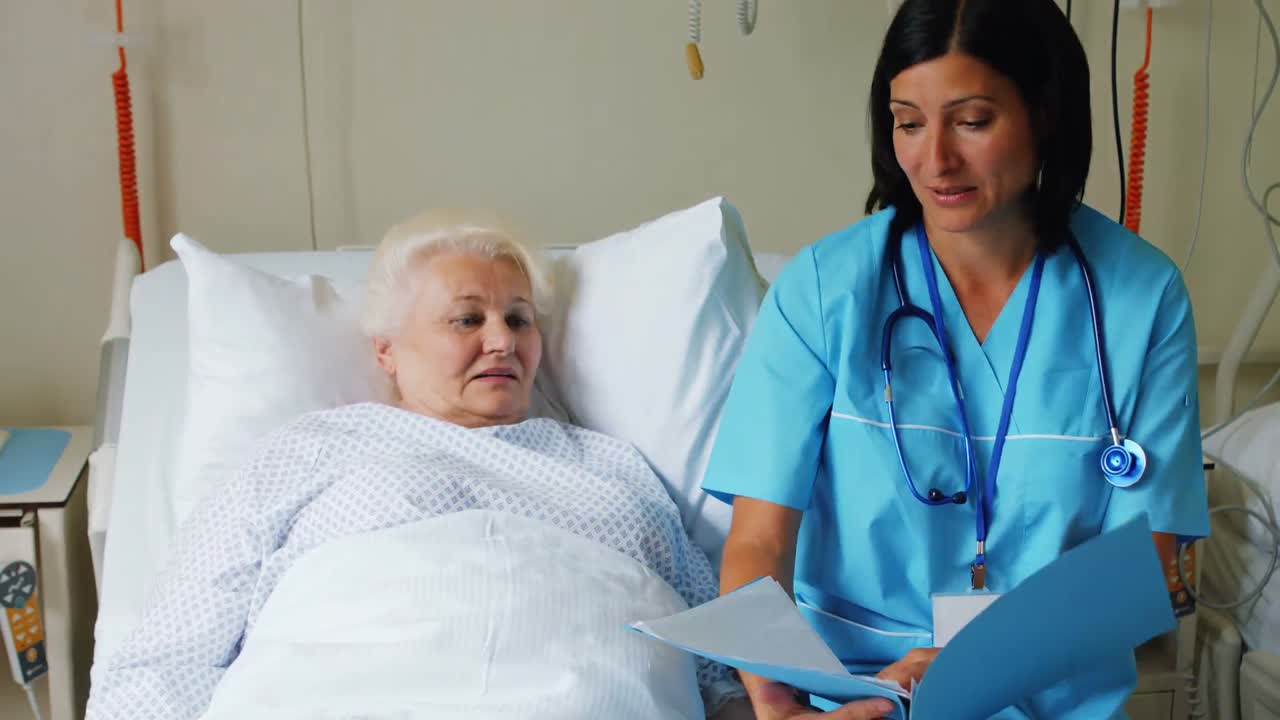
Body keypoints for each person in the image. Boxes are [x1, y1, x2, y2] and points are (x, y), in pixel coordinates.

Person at [701, 1, 1210, 718]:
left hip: (1050, 697)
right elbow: (758, 540)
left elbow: (1151, 563)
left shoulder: (1140, 298)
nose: (934, 158)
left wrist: (967, 664)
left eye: (971, 121)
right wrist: (776, 700)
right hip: (850, 695)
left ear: (1045, 113)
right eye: (909, 121)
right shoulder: (823, 292)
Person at [87, 210, 746, 719]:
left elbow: (722, 662)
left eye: (519, 319)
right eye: (467, 319)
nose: (502, 341)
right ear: (387, 351)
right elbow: (170, 655)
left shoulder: (612, 466)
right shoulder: (310, 450)